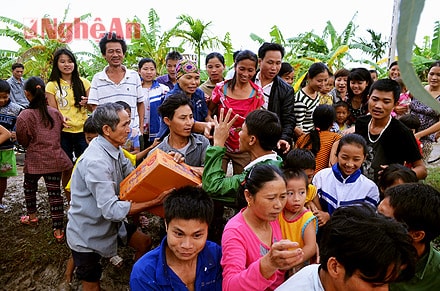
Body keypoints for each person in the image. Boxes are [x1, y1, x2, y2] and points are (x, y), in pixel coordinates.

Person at [66, 103, 169, 290]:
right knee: (91, 285)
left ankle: (136, 280)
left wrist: (166, 163)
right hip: (88, 231)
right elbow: (112, 210)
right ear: (107, 129)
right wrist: (154, 202)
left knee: (144, 242)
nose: (129, 130)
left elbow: (134, 178)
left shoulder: (115, 149)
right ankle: (66, 282)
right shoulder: (95, 162)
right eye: (125, 125)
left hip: (110, 225)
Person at [276, 203, 417, 291]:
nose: (384, 290)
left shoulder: (323, 276)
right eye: (375, 285)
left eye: (387, 284)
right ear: (335, 267)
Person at [202, 109, 283, 243]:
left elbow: (212, 186)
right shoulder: (275, 162)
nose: (238, 134)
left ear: (252, 139)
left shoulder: (259, 175)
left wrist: (218, 143)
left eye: (241, 130)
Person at [221, 164, 304, 291]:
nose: (278, 205)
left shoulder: (275, 216)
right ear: (249, 196)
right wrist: (268, 264)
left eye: (283, 196)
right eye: (271, 198)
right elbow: (230, 286)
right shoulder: (235, 232)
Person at [130, 186, 222, 290]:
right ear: (166, 225)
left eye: (197, 235)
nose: (187, 245)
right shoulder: (144, 275)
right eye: (179, 234)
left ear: (207, 229)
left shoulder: (216, 255)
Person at [16, 77, 72, 242]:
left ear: (27, 94)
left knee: (29, 188)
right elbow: (59, 132)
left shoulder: (24, 115)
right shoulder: (55, 113)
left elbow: (22, 139)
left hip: (34, 159)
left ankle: (32, 216)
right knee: (55, 194)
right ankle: (58, 230)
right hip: (54, 158)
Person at [355, 78, 427, 183]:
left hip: (386, 192)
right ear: (368, 98)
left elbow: (422, 170)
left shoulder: (402, 132)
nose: (378, 106)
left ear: (395, 104)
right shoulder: (361, 123)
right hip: (358, 187)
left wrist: (398, 175)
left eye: (386, 101)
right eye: (375, 99)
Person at [46, 48, 91, 202]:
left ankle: (86, 199)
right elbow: (52, 110)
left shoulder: (84, 82)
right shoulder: (52, 85)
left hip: (83, 131)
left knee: (85, 166)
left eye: (70, 61)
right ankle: (70, 201)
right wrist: (60, 118)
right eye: (62, 61)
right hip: (63, 132)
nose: (67, 64)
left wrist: (87, 103)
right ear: (56, 64)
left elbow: (93, 107)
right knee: (67, 168)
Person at [208, 50, 264, 174]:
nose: (245, 74)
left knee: (241, 185)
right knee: (214, 181)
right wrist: (212, 123)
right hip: (220, 144)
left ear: (256, 70)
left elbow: (256, 122)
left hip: (244, 147)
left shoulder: (257, 94)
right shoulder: (221, 88)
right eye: (242, 68)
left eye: (250, 70)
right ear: (235, 65)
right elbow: (209, 111)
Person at [378, 183, 440, 291]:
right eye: (376, 213)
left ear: (417, 235)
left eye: (383, 218)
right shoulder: (359, 250)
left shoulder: (436, 274)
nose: (372, 222)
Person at [87, 32, 145, 146]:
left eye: (118, 51)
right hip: (109, 138)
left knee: (135, 163)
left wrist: (141, 129)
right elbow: (95, 108)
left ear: (123, 53)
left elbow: (140, 104)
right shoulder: (98, 79)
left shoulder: (134, 76)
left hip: (132, 135)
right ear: (104, 55)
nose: (115, 55)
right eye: (110, 51)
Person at [312, 133, 380, 228]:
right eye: (344, 157)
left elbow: (366, 221)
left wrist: (330, 217)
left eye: (356, 159)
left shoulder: (370, 188)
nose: (349, 164)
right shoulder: (321, 177)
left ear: (364, 158)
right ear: (337, 154)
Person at [152, 93, 210, 174]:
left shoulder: (202, 143)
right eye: (183, 118)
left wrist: (182, 168)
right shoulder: (157, 153)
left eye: (191, 117)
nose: (189, 123)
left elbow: (211, 174)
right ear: (167, 121)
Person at [255, 42, 296, 154]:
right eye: (270, 62)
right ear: (260, 61)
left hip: (269, 141)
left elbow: (288, 118)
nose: (274, 68)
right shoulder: (248, 80)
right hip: (245, 136)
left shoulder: (286, 90)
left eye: (278, 63)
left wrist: (284, 137)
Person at [158, 58, 212, 139]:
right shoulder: (172, 97)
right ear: (178, 79)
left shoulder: (199, 93)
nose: (193, 82)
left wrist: (212, 121)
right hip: (173, 140)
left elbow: (205, 115)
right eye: (188, 78)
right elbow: (182, 124)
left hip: (197, 139)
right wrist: (205, 126)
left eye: (196, 78)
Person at [278, 168, 318, 277]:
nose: (297, 198)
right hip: (278, 260)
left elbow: (311, 247)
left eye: (301, 192)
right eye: (290, 193)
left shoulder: (306, 217)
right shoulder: (278, 212)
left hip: (299, 263)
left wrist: (292, 262)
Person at [295, 104, 342, 174]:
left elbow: (293, 161)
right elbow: (332, 164)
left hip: (302, 178)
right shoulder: (336, 138)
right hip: (322, 179)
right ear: (332, 124)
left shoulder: (302, 139)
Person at [409, 60, 440, 159]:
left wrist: (420, 134)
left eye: (439, 75)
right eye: (432, 74)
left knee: (416, 169)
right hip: (406, 134)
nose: (434, 77)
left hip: (424, 140)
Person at [137, 57, 169, 147]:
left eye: (152, 69)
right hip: (138, 130)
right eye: (145, 69)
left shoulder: (163, 89)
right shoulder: (135, 89)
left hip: (158, 130)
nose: (149, 72)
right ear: (139, 71)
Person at [0, 80, 21, 209]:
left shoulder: (16, 109)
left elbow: (19, 128)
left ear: (9, 95)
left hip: (6, 150)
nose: (2, 100)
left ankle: (0, 200)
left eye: (4, 97)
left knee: (2, 178)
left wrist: (15, 133)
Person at [293, 62, 330, 137]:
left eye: (325, 80)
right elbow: (298, 128)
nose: (323, 84)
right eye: (319, 81)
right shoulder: (301, 100)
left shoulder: (316, 93)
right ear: (309, 78)